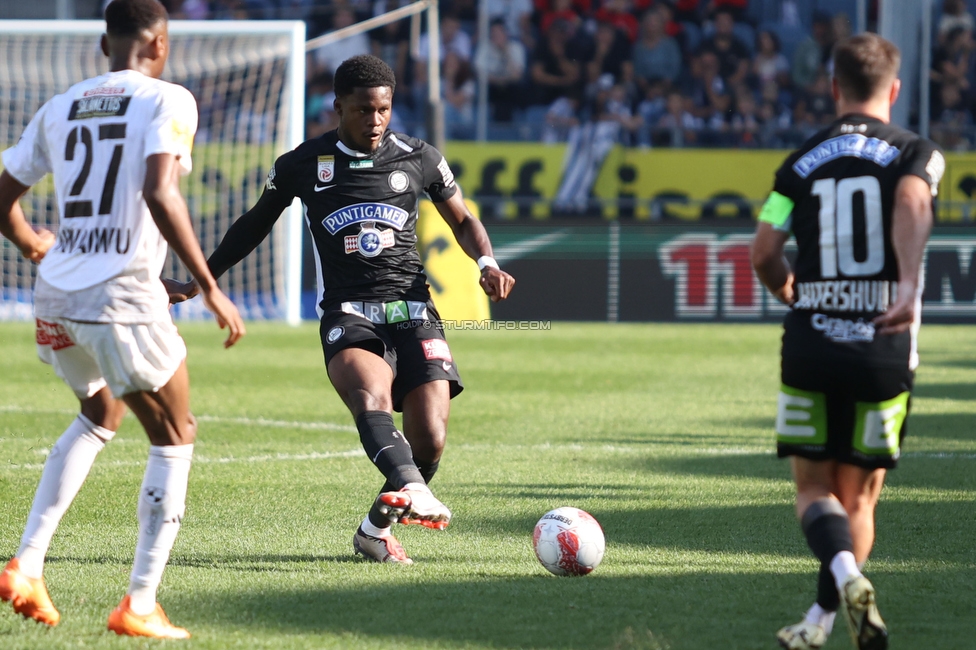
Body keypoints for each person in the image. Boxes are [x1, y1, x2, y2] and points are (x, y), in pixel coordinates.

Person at [168, 54, 515, 564]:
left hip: (413, 308)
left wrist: (485, 261)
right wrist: (201, 280)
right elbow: (253, 224)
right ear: (338, 108)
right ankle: (414, 493)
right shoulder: (302, 164)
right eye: (362, 110)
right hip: (349, 312)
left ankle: (374, 528)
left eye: (383, 110)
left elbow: (462, 219)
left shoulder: (419, 157)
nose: (374, 122)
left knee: (431, 439)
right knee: (370, 398)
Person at [0, 0, 245, 639]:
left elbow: (3, 197)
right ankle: (139, 605)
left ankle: (26, 564)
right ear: (159, 44)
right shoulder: (169, 100)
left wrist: (32, 245)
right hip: (119, 301)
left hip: (55, 298)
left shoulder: (62, 106)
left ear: (103, 45)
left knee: (99, 412)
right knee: (175, 432)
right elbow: (160, 191)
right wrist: (212, 288)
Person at [751, 33, 944, 650]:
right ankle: (826, 615)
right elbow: (914, 195)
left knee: (813, 489)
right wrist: (908, 284)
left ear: (833, 87)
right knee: (858, 497)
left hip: (811, 341)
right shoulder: (917, 151)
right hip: (885, 345)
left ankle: (825, 610)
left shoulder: (798, 162)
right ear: (894, 89)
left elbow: (764, 250)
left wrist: (787, 289)